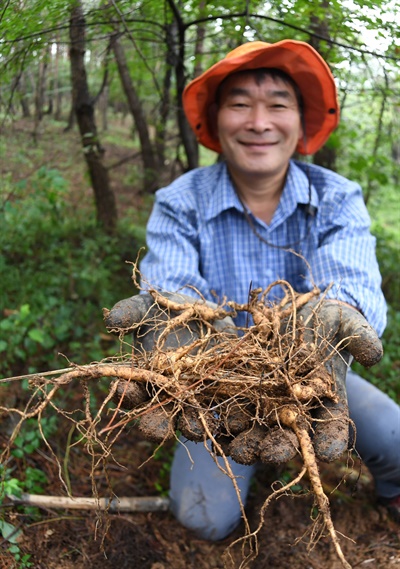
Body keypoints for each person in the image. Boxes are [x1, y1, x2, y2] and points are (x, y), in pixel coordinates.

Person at [106, 40, 400, 538]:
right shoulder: (180, 201)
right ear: (217, 121)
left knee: (396, 437)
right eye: (240, 103)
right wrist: (180, 316)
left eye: (278, 104)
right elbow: (172, 281)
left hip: (313, 366)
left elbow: (349, 279)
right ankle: (237, 464)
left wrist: (334, 313)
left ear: (302, 122)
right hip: (212, 385)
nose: (259, 122)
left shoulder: (336, 197)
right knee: (204, 519)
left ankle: (392, 488)